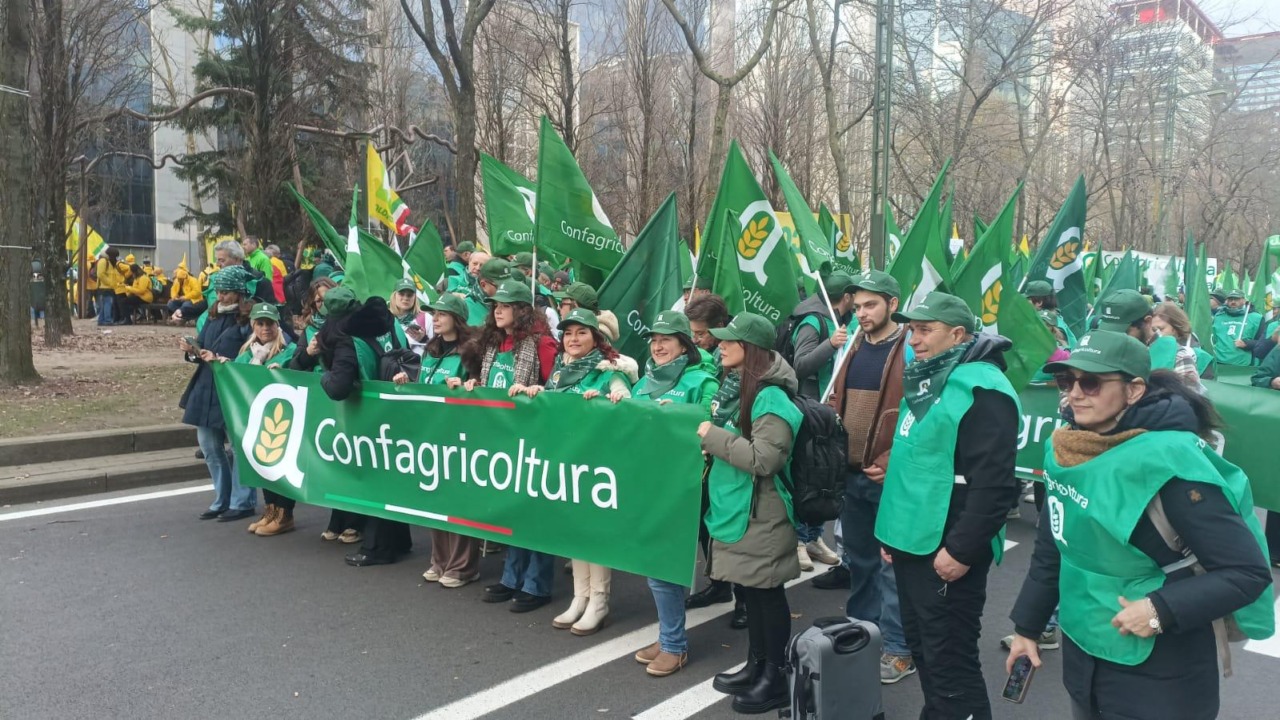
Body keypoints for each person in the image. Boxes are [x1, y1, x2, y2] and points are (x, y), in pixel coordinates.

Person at [1008, 331, 1274, 720]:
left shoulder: (1172, 461)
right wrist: (1027, 628)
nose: (1075, 394)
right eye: (1067, 381)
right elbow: (1055, 546)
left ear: (1133, 390)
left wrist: (1158, 610)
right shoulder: (1065, 446)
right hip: (1084, 656)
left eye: (1092, 382)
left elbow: (1246, 573)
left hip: (1160, 677)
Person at [877, 291, 1021, 720]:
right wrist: (894, 538)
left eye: (925, 330)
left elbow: (993, 486)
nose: (914, 339)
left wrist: (960, 551)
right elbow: (913, 464)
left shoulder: (983, 388)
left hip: (946, 550)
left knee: (951, 660)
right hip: (912, 543)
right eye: (912, 330)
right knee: (925, 651)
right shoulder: (926, 382)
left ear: (957, 334)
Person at [816, 270, 918, 684]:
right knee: (859, 560)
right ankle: (861, 631)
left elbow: (922, 413)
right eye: (857, 306)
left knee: (893, 565)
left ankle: (898, 648)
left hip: (889, 477)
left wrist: (895, 455)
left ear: (893, 304)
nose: (861, 313)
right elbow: (838, 400)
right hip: (852, 473)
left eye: (871, 305)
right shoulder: (853, 344)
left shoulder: (911, 346)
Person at [698, 312, 802, 715]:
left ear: (751, 349)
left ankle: (774, 676)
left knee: (766, 593)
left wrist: (714, 437)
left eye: (729, 341)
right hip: (740, 506)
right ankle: (757, 664)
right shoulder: (738, 386)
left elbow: (765, 460)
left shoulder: (771, 395)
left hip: (764, 510)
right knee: (750, 592)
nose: (719, 344)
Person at [514, 308, 637, 634]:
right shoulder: (558, 372)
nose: (573, 339)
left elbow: (625, 398)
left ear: (596, 337)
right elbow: (554, 407)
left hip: (596, 466)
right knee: (574, 531)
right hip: (565, 463)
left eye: (581, 333)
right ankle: (580, 597)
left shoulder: (608, 369)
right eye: (568, 333)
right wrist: (538, 394)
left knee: (594, 533)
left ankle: (599, 601)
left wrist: (612, 398)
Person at [291, 287, 413, 566]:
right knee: (390, 477)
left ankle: (377, 548)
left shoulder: (346, 338)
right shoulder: (386, 322)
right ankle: (400, 541)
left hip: (368, 418)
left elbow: (338, 387)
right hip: (395, 407)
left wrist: (324, 377)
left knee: (373, 481)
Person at [631, 310, 721, 677]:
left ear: (685, 343)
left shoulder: (702, 379)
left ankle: (674, 645)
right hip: (651, 481)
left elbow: (714, 418)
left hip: (687, 483)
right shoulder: (644, 381)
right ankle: (668, 636)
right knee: (657, 564)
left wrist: (682, 414)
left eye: (666, 338)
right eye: (654, 339)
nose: (658, 345)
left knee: (664, 564)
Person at [463, 280, 559, 611]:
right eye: (495, 305)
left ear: (521, 310)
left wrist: (539, 394)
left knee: (535, 513)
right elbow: (492, 384)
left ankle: (537, 584)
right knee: (512, 510)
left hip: (532, 440)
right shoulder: (492, 344)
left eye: (505, 305)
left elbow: (554, 389)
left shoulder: (542, 344)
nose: (498, 309)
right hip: (500, 438)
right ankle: (511, 576)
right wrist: (475, 385)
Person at [393, 294, 484, 587]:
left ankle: (463, 565)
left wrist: (466, 387)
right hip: (432, 434)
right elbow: (424, 386)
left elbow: (479, 387)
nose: (436, 318)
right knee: (435, 496)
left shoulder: (470, 349)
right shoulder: (431, 349)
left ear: (456, 317)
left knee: (458, 501)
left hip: (461, 435)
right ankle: (440, 560)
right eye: (434, 313)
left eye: (442, 313)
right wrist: (407, 383)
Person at [682, 293, 747, 628]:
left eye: (702, 334)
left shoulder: (738, 353)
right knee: (705, 521)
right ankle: (720, 583)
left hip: (733, 455)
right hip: (704, 453)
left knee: (734, 529)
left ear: (721, 327)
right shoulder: (697, 357)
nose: (697, 340)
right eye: (691, 334)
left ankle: (746, 598)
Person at [787, 272, 856, 570]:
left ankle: (813, 537)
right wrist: (829, 343)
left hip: (826, 415)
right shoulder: (813, 321)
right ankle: (798, 540)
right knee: (806, 477)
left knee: (824, 477)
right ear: (847, 297)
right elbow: (798, 366)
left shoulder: (842, 321)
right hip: (808, 412)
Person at [178, 267, 257, 522]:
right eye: (218, 292)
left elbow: (255, 356)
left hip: (233, 390)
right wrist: (191, 350)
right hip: (205, 385)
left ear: (239, 292)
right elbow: (201, 349)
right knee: (210, 447)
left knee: (238, 446)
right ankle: (221, 499)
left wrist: (225, 360)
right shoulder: (212, 315)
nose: (220, 297)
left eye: (226, 292)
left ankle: (242, 501)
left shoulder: (249, 319)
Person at [229, 303, 299, 536]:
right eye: (260, 323)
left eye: (270, 323)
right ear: (253, 325)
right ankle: (269, 510)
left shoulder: (289, 350)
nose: (265, 328)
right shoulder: (247, 354)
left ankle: (284, 513)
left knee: (281, 465)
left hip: (284, 419)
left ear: (277, 324)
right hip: (258, 420)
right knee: (263, 464)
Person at [1151, 301, 1212, 388]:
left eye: (1161, 329)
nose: (1157, 334)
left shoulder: (1201, 358)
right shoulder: (1149, 352)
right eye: (1153, 330)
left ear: (1176, 327)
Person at [1213, 290, 1263, 366]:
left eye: (1236, 299)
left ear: (1244, 300)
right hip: (1219, 362)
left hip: (1244, 365)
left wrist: (1247, 344)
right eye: (1230, 299)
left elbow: (1264, 343)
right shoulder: (1218, 316)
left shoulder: (1257, 318)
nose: (1233, 302)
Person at [1024, 279, 1079, 347]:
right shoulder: (1054, 319)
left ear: (1039, 302)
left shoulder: (1051, 326)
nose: (1024, 302)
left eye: (1027, 299)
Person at [389, 278, 430, 355]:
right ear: (394, 295)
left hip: (420, 365)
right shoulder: (385, 319)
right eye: (401, 294)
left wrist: (424, 339)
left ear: (415, 297)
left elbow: (438, 350)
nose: (405, 298)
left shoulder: (426, 318)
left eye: (410, 295)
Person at [95, 248, 123, 326]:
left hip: (109, 286)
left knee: (105, 304)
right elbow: (100, 274)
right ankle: (107, 320)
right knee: (108, 303)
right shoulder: (104, 261)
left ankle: (101, 320)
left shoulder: (109, 262)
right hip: (105, 287)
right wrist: (110, 283)